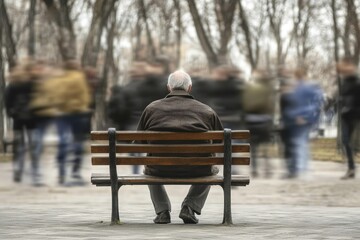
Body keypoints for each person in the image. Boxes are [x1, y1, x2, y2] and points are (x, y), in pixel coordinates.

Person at [136, 70, 223, 224]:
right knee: (211, 167)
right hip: (197, 169)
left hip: (159, 169)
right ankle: (190, 207)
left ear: (168, 88)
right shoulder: (206, 111)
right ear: (189, 88)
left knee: (149, 164)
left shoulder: (151, 109)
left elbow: (139, 144)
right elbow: (220, 143)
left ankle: (162, 211)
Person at [5, 62, 42, 186]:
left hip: (18, 121)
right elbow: (39, 101)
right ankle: (34, 174)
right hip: (32, 121)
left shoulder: (13, 84)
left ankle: (18, 170)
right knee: (34, 148)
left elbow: (7, 102)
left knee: (20, 148)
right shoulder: (33, 85)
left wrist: (12, 113)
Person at [337, 59, 360, 179]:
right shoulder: (344, 82)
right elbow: (343, 97)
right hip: (346, 115)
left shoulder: (357, 82)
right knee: (346, 141)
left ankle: (351, 168)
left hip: (354, 114)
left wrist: (350, 107)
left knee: (349, 141)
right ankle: (351, 168)